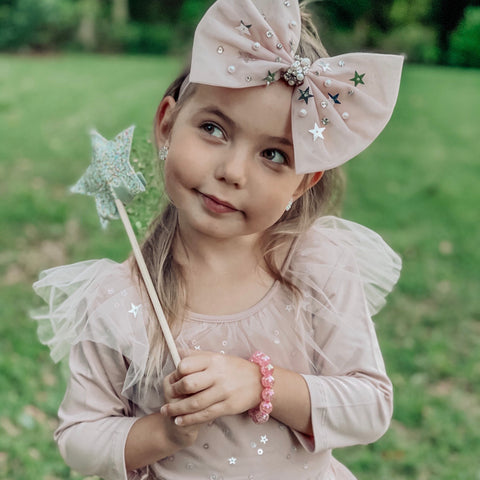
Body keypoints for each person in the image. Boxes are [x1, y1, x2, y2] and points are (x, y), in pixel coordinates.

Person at [32, 0, 404, 478]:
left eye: (273, 154)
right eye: (213, 129)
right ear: (167, 123)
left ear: (303, 183)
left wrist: (260, 384)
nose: (231, 172)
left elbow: (370, 407)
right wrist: (161, 433)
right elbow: (79, 437)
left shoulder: (317, 265)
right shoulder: (118, 299)